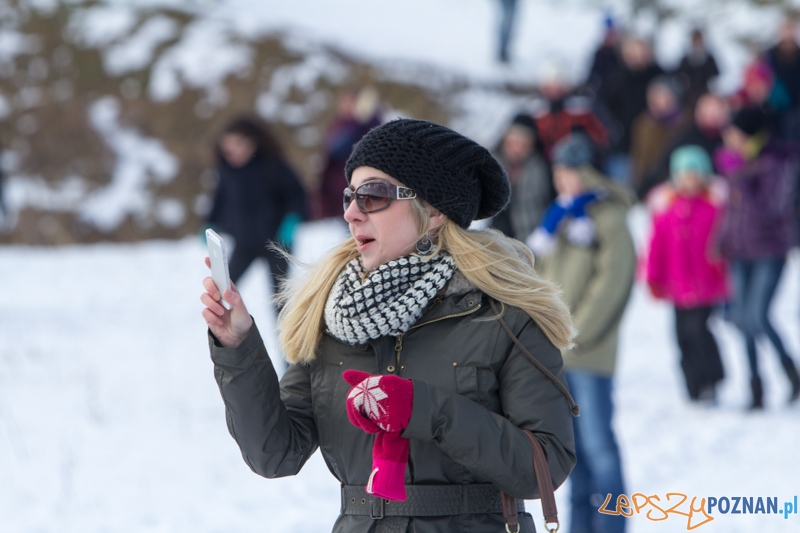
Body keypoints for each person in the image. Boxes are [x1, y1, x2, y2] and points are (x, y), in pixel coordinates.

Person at [201, 118, 578, 532]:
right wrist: (237, 346)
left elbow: (545, 464)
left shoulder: (504, 314)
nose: (349, 213)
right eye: (349, 196)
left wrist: (427, 411)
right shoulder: (334, 316)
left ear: (433, 209)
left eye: (373, 195)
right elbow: (275, 453)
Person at [527, 133, 634, 533]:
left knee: (600, 448)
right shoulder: (560, 216)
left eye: (570, 170)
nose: (562, 179)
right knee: (572, 453)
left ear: (588, 171)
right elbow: (542, 277)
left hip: (589, 353)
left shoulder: (608, 217)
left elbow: (614, 283)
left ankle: (613, 526)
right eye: (558, 170)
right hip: (557, 354)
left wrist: (575, 332)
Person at [714, 107, 800, 409]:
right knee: (741, 318)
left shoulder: (774, 161)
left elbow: (769, 209)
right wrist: (720, 240)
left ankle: (791, 371)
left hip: (769, 252)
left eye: (733, 132)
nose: (727, 138)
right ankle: (755, 386)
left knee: (757, 317)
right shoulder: (740, 164)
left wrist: (739, 176)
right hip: (740, 252)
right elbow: (732, 209)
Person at [644, 146, 728, 404]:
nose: (689, 181)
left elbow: (723, 245)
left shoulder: (712, 208)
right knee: (682, 336)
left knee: (700, 331)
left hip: (706, 284)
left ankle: (712, 378)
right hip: (677, 285)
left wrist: (721, 269)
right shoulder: (667, 210)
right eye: (684, 175)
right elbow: (656, 245)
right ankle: (692, 384)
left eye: (694, 175)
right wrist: (653, 276)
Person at [207, 115, 308, 314]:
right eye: (227, 147)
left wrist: (292, 219)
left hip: (276, 243)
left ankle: (288, 343)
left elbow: (297, 195)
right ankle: (226, 335)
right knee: (222, 289)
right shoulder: (226, 170)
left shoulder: (273, 164)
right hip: (245, 243)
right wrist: (210, 222)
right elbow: (219, 199)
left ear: (253, 142)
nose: (232, 152)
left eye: (238, 144)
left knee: (280, 302)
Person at [313, 86, 382, 221]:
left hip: (359, 189)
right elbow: (332, 149)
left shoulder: (370, 125)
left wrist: (359, 121)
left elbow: (339, 148)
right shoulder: (340, 124)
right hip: (338, 192)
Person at [491, 113, 554, 240]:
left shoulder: (542, 167)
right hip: (496, 236)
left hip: (532, 236)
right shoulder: (492, 164)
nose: (517, 149)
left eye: (523, 144)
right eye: (513, 143)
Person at [629, 75, 690, 192]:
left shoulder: (684, 125)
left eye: (662, 95)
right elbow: (638, 156)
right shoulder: (643, 123)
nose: (656, 100)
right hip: (644, 183)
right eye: (653, 95)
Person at [675, 28, 720, 114]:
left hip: (706, 99)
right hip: (688, 101)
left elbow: (715, 78)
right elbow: (679, 78)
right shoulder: (685, 60)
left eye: (699, 40)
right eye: (695, 40)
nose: (697, 43)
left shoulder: (709, 60)